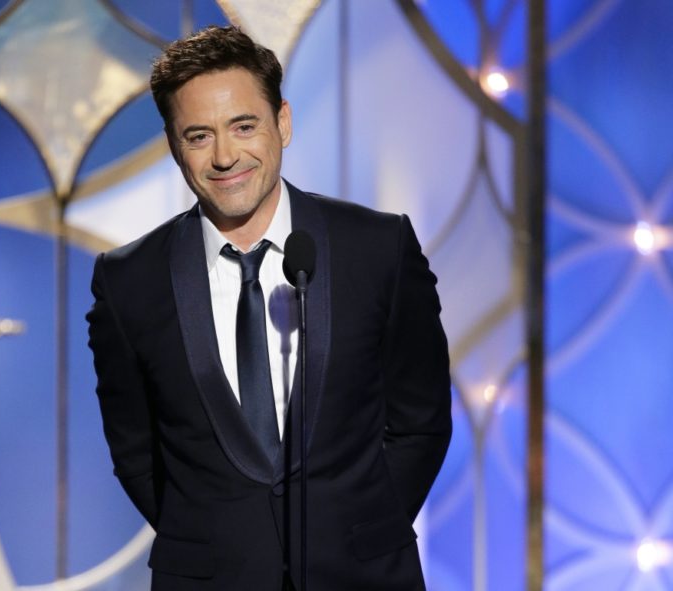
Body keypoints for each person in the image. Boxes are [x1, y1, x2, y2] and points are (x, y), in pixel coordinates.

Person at [87, 25, 451, 591]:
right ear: (174, 145)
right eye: (199, 135)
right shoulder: (128, 280)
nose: (225, 156)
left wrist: (363, 530)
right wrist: (217, 543)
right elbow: (136, 454)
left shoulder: (378, 248)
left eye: (244, 126)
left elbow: (420, 423)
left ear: (282, 122)